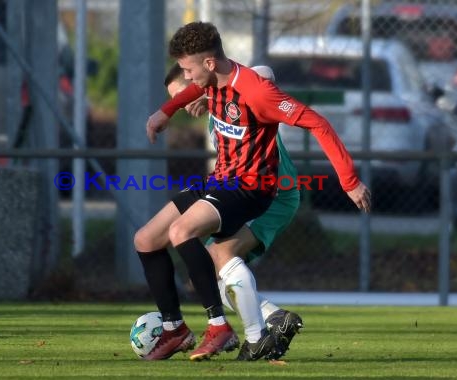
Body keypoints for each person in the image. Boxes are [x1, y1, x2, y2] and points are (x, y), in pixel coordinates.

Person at [141, 21, 372, 361]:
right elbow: (199, 88)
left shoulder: (251, 90)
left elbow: (311, 118)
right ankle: (185, 328)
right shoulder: (210, 87)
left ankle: (234, 330)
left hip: (260, 188)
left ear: (208, 65)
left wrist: (349, 180)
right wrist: (166, 110)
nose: (188, 85)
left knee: (202, 246)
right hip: (222, 179)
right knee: (149, 240)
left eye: (189, 73)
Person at [164, 63, 305, 360]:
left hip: (274, 194)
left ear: (197, 83)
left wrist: (211, 94)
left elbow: (265, 71)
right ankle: (274, 316)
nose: (183, 107)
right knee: (209, 274)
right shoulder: (214, 114)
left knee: (220, 256)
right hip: (247, 193)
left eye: (183, 97)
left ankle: (257, 339)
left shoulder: (234, 94)